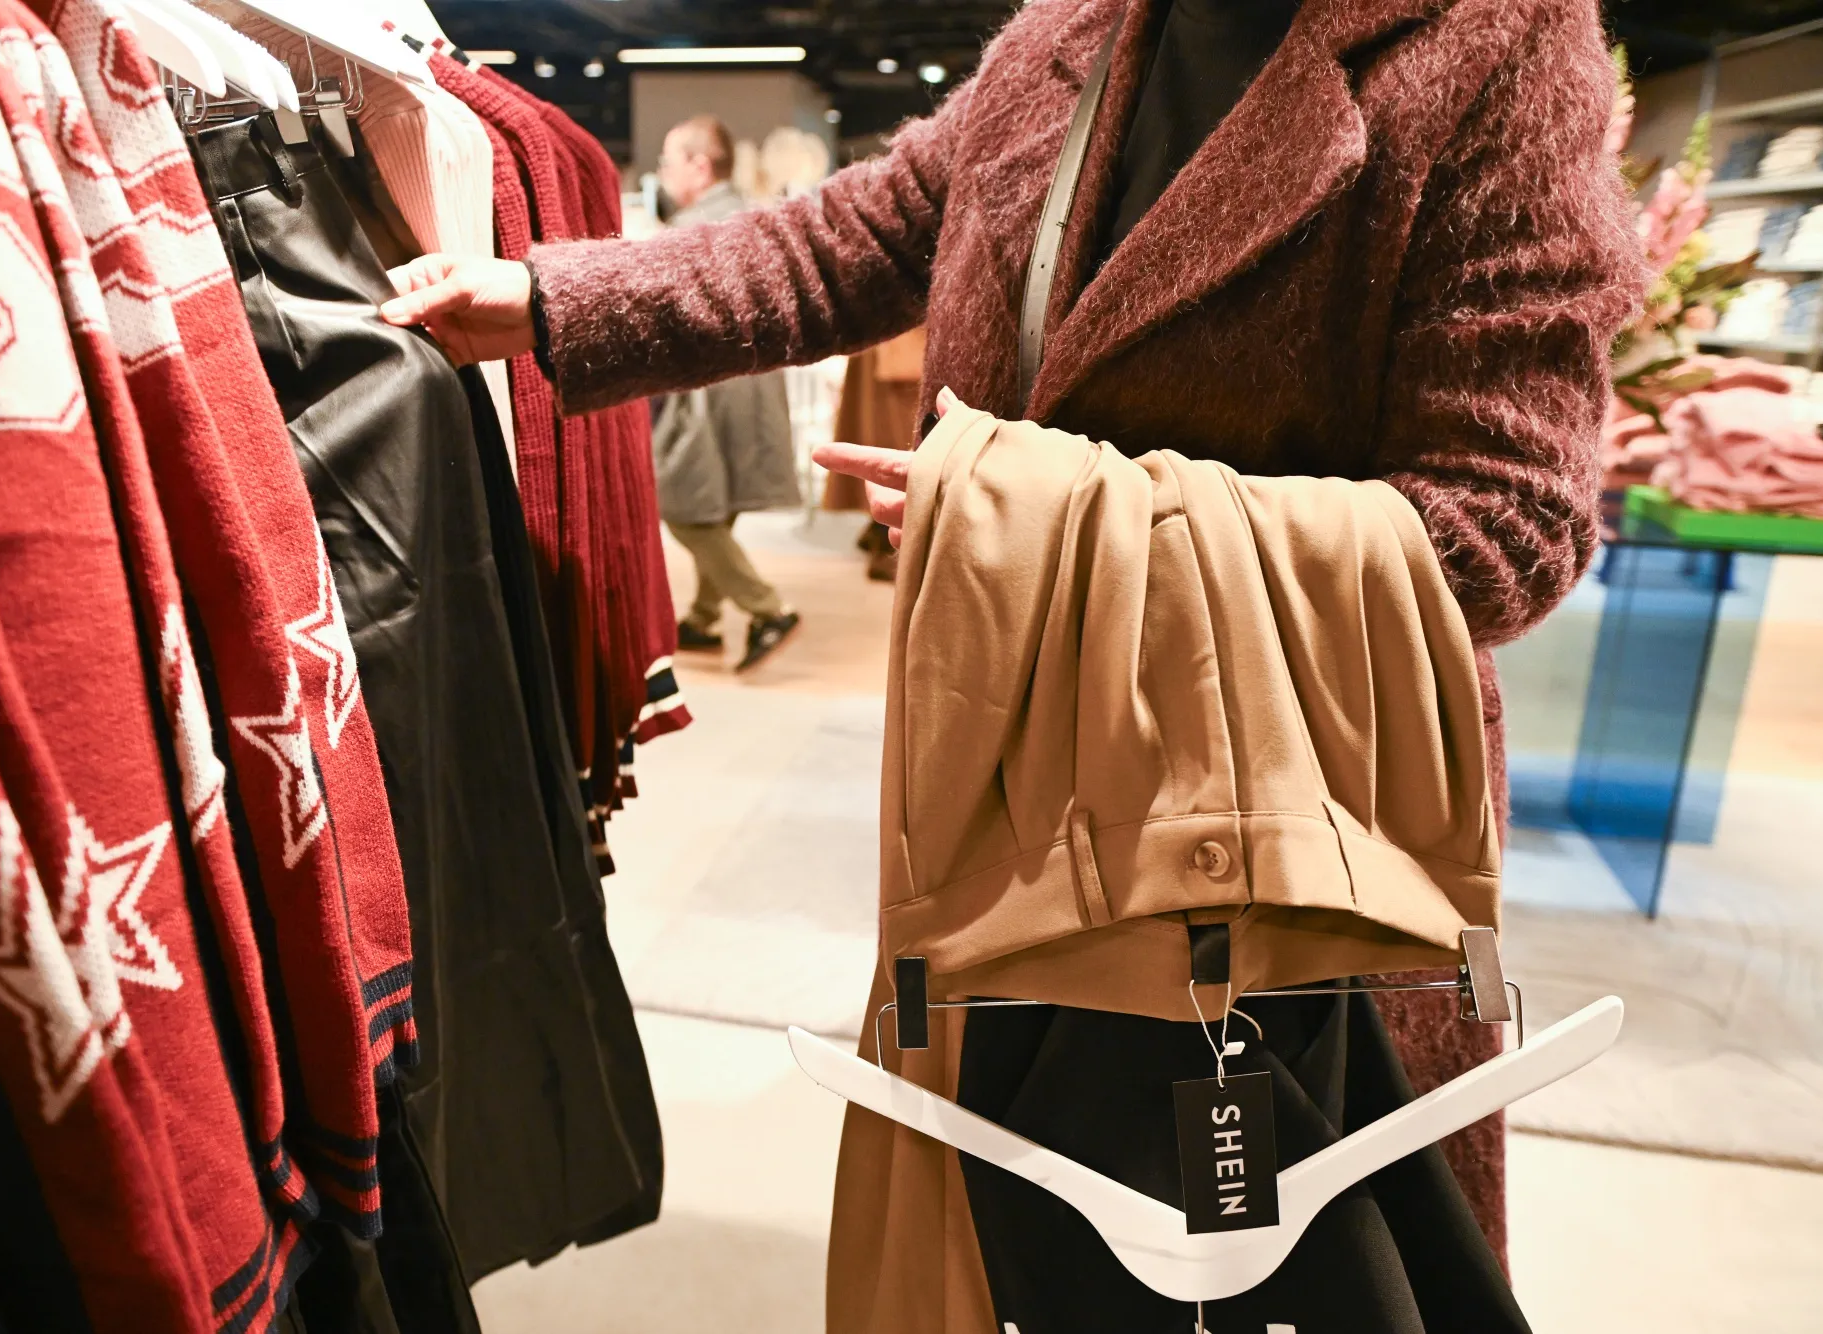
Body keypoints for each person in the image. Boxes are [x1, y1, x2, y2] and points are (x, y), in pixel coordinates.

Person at [380, 0, 1642, 1326]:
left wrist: (1044, 533)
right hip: (1024, 793)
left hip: (1300, 822)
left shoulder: (1496, 42)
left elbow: (1512, 525)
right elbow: (867, 229)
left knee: (1310, 1269)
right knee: (1037, 1239)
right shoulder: (1085, 23)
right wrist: (551, 297)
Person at [648, 115, 803, 670]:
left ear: (698, 165)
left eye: (668, 162)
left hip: (706, 388)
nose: (662, 174)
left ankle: (767, 609)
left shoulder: (692, 229)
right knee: (717, 497)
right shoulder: (756, 217)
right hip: (753, 384)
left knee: (684, 503)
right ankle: (704, 618)